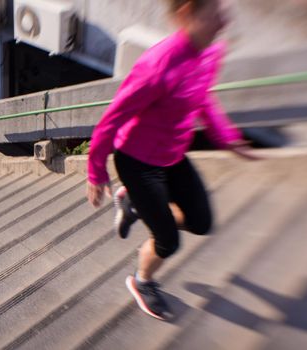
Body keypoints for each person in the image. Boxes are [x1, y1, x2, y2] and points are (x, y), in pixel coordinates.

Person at [86, 0, 259, 320]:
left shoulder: (209, 51)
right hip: (137, 161)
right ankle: (142, 282)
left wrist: (227, 138)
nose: (224, 22)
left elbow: (204, 96)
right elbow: (112, 119)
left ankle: (136, 206)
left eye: (224, 12)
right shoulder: (157, 65)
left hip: (173, 154)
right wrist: (96, 171)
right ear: (186, 14)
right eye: (215, 15)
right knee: (168, 241)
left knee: (201, 221)